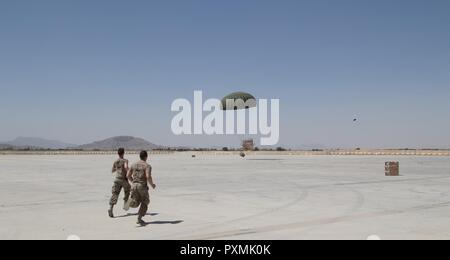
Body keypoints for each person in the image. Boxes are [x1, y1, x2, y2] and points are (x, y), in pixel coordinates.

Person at [127, 151, 156, 226]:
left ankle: (127, 203)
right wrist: (152, 185)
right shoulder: (147, 166)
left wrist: (133, 182)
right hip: (141, 186)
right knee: (145, 201)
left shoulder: (133, 164)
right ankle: (139, 219)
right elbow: (148, 176)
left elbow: (128, 175)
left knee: (136, 202)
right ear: (146, 157)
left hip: (134, 185)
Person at [108, 148, 131, 218]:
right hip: (124, 179)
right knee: (128, 190)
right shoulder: (125, 160)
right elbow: (126, 167)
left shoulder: (116, 161)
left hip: (117, 179)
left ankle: (111, 208)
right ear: (123, 153)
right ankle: (126, 205)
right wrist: (129, 171)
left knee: (115, 194)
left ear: (118, 153)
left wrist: (118, 168)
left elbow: (112, 170)